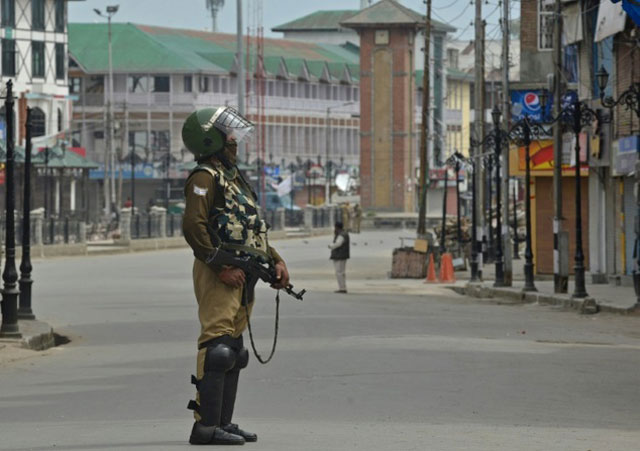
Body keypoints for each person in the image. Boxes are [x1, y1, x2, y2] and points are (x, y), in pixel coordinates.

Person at [182, 107, 290, 445]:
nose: (235, 143)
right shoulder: (204, 177)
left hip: (243, 273)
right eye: (230, 136)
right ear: (210, 138)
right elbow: (193, 227)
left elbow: (250, 229)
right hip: (220, 271)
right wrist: (220, 265)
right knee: (217, 349)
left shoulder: (233, 177)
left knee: (234, 350)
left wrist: (276, 262)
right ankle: (204, 427)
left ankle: (222, 422)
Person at [329, 221, 350, 293]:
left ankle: (342, 288)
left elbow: (338, 244)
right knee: (341, 272)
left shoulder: (341, 235)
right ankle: (343, 287)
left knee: (339, 272)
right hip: (342, 255)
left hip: (339, 256)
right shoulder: (343, 234)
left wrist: (330, 246)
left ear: (337, 227)